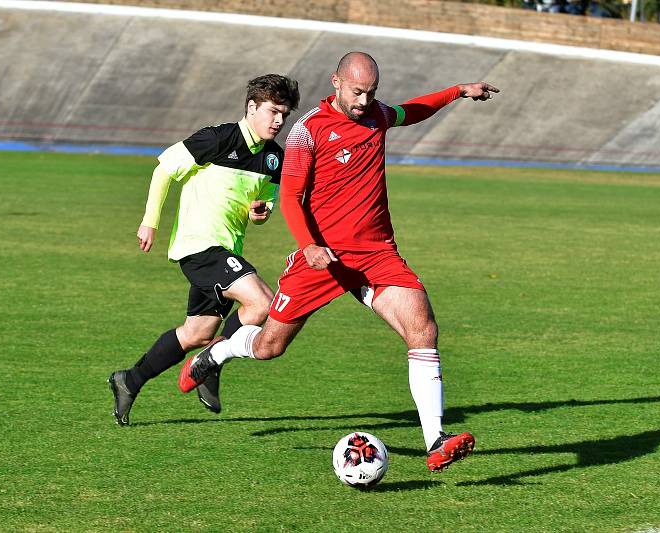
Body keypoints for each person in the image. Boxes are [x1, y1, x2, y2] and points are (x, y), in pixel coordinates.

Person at [178, 52, 498, 472]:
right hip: (321, 259)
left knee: (423, 328)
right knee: (270, 346)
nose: (365, 101)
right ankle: (217, 355)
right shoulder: (307, 131)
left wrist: (458, 90)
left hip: (377, 254)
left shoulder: (377, 114)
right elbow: (291, 196)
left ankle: (434, 439)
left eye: (371, 93)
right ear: (336, 82)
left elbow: (413, 110)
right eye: (357, 91)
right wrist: (308, 244)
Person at [107, 74, 300, 426]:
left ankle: (129, 381)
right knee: (262, 303)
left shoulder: (274, 158)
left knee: (197, 333)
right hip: (199, 246)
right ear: (252, 107)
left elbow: (265, 206)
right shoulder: (217, 138)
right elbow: (165, 169)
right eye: (273, 111)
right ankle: (211, 363)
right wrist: (150, 220)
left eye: (284, 115)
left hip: (227, 250)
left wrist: (261, 212)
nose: (278, 121)